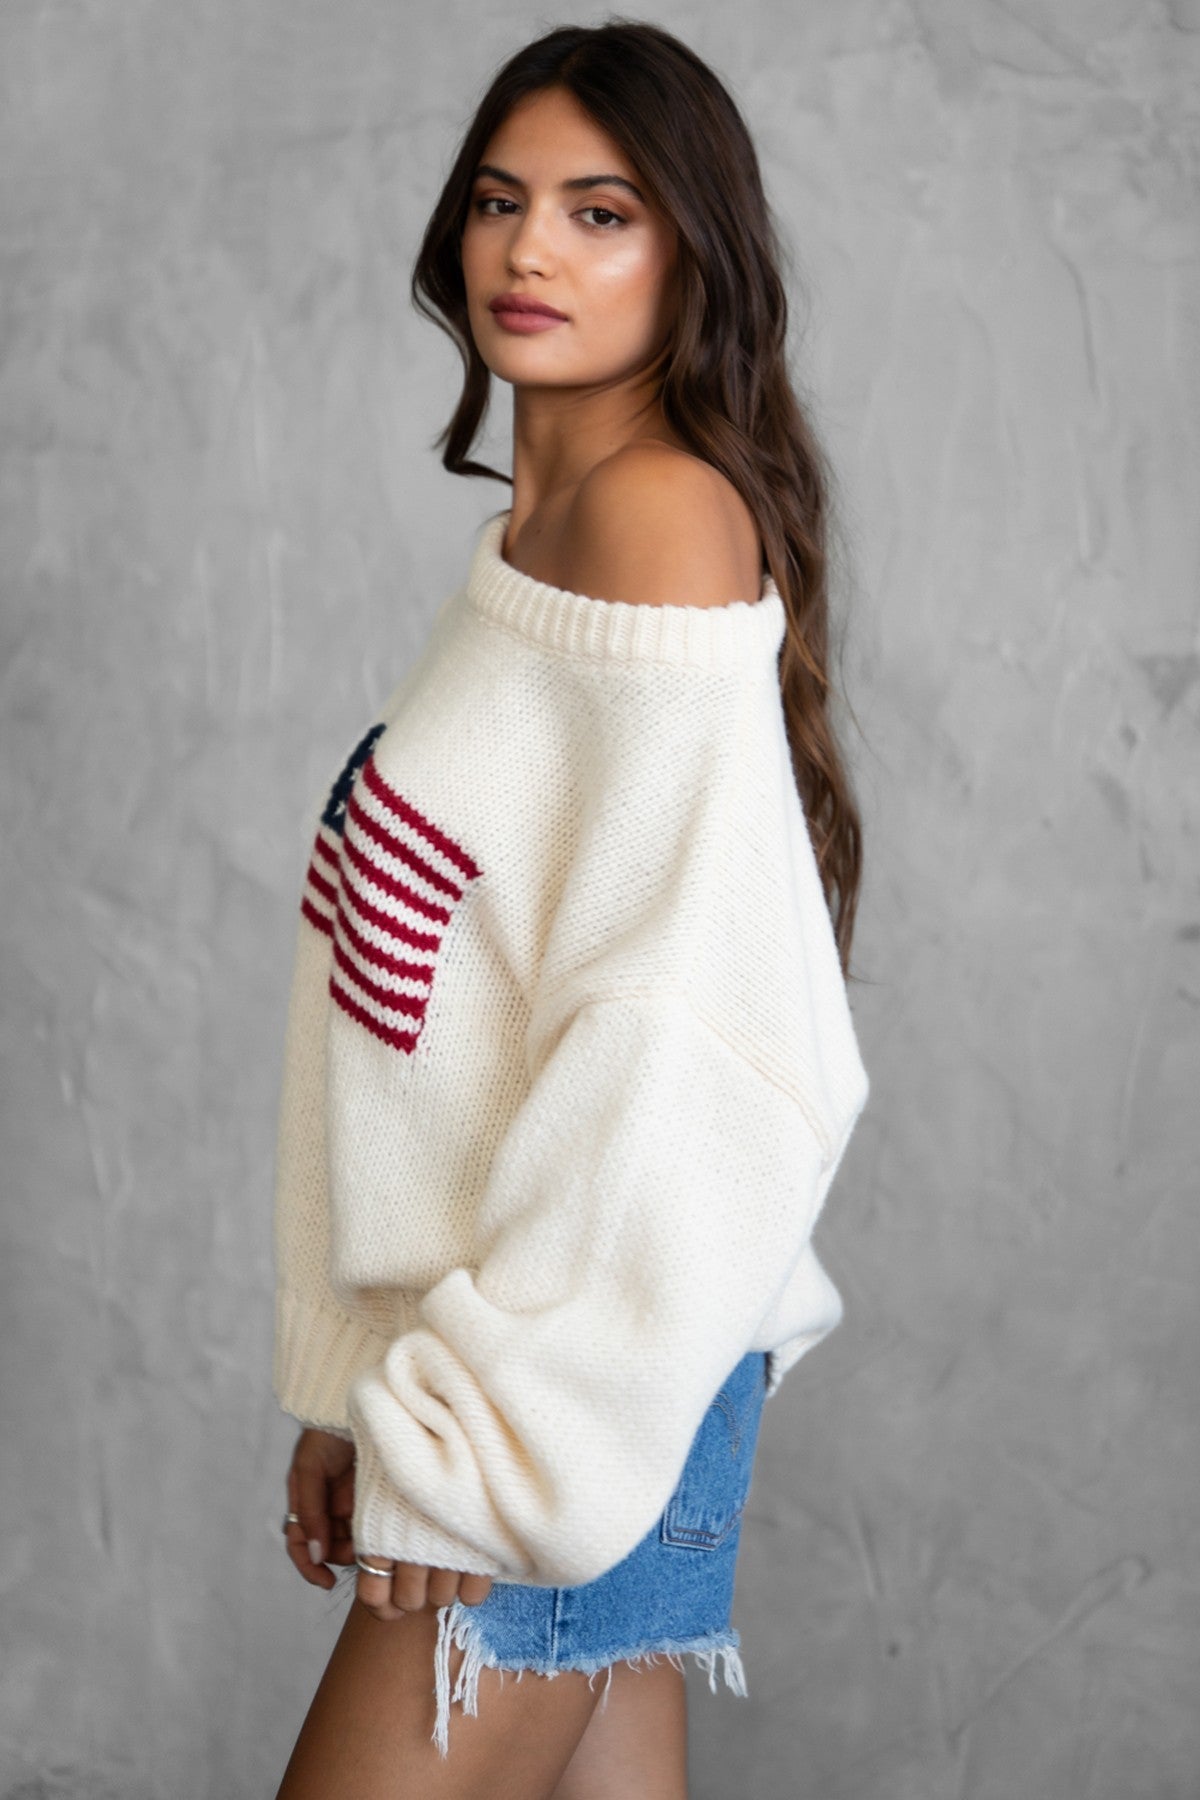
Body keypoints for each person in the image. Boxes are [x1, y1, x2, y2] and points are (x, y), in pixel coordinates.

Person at [270, 19, 870, 1798]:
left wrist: (475, 1438)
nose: (532, 250)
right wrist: (348, 1376)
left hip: (579, 1392)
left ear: (694, 251)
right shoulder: (528, 553)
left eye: (602, 211)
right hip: (551, 1369)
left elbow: (688, 1051)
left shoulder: (662, 519)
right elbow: (432, 1019)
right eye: (500, 201)